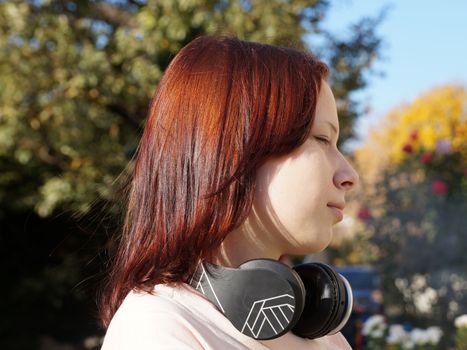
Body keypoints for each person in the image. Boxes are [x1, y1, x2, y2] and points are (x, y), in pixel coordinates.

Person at [99, 35, 359, 349]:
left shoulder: (326, 338)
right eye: (321, 139)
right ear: (236, 149)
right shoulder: (154, 330)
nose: (349, 176)